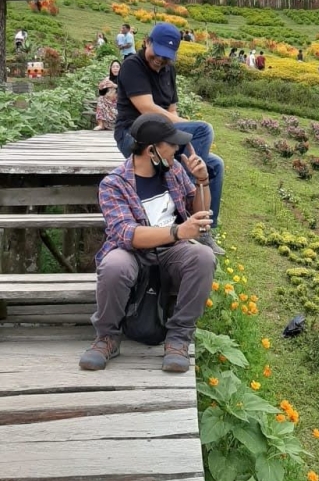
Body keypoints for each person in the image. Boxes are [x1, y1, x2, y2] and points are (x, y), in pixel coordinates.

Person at [79, 113, 216, 374]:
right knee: (114, 265)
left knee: (203, 258)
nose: (176, 149)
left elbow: (198, 212)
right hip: (132, 252)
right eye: (171, 144)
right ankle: (107, 337)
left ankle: (177, 339)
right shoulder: (114, 184)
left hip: (171, 251)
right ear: (151, 149)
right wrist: (178, 231)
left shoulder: (173, 170)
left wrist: (202, 181)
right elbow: (126, 234)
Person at [114, 22, 224, 252]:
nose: (160, 60)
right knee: (204, 129)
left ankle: (204, 229)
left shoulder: (168, 71)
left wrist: (185, 134)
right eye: (158, 53)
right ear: (147, 42)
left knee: (214, 165)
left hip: (162, 137)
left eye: (167, 57)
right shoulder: (132, 65)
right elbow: (147, 108)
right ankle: (182, 212)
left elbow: (171, 112)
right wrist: (191, 129)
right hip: (134, 136)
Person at [94, 60, 120, 131]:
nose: (115, 68)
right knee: (101, 98)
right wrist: (101, 88)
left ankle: (116, 124)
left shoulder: (123, 78)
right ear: (111, 68)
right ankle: (101, 124)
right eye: (113, 67)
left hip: (118, 104)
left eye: (117, 67)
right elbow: (102, 93)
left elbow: (126, 91)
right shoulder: (108, 79)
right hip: (108, 103)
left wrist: (114, 85)